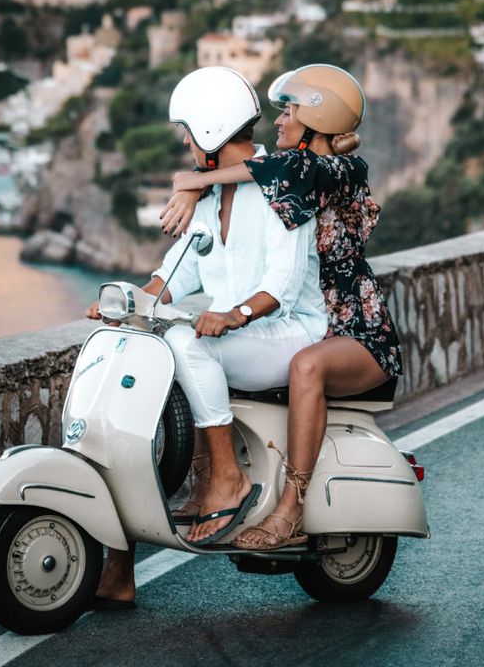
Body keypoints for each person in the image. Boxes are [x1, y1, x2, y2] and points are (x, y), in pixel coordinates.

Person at [85, 66, 327, 605]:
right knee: (151, 366)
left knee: (187, 343)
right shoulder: (211, 196)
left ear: (212, 131)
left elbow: (282, 287)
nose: (186, 144)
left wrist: (233, 315)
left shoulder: (283, 186)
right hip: (240, 336)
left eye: (189, 132)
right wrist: (126, 305)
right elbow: (174, 276)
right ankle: (120, 560)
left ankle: (225, 477)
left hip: (288, 335)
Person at [161, 64, 402, 551]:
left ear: (319, 119)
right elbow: (256, 176)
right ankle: (211, 478)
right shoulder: (289, 176)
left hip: (358, 330)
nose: (279, 120)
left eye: (289, 110)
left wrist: (191, 180)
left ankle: (291, 508)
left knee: (306, 366)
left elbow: (267, 170)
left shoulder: (332, 169)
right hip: (327, 322)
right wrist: (199, 184)